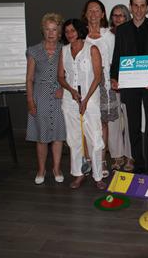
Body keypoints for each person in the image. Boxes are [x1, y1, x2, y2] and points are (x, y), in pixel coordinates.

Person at [110, 0, 148, 175]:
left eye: (142, 5)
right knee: (133, 126)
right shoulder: (122, 30)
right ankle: (139, 164)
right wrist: (114, 77)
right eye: (135, 5)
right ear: (130, 7)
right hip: (130, 86)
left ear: (147, 8)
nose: (138, 9)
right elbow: (117, 56)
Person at [58, 18, 106, 190]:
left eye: (72, 30)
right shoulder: (63, 51)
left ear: (79, 31)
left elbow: (98, 77)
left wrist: (85, 99)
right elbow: (61, 77)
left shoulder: (91, 49)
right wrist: (71, 91)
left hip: (90, 101)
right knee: (74, 139)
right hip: (70, 101)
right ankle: (78, 174)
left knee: (95, 138)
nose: (70, 34)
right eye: (67, 32)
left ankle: (98, 176)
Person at [26, 13, 66, 185]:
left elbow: (69, 74)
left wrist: (63, 90)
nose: (51, 33)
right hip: (40, 96)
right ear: (43, 31)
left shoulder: (65, 49)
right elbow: (29, 78)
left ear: (59, 32)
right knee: (41, 137)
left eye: (54, 30)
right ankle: (41, 169)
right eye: (48, 29)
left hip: (58, 97)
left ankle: (56, 168)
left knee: (58, 136)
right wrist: (30, 101)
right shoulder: (34, 50)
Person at [81, 0, 115, 179]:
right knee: (85, 122)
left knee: (102, 123)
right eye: (90, 10)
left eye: (97, 11)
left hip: (104, 85)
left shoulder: (109, 36)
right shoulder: (80, 35)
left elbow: (114, 61)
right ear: (85, 14)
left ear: (103, 14)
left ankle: (101, 159)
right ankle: (87, 159)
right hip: (85, 85)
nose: (93, 14)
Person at [107, 4, 133, 171]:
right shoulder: (106, 35)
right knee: (113, 121)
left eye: (121, 15)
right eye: (115, 15)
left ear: (127, 17)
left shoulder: (132, 33)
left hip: (130, 82)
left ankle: (131, 157)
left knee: (131, 121)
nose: (118, 18)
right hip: (111, 82)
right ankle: (117, 155)